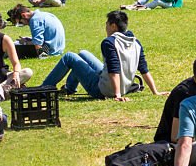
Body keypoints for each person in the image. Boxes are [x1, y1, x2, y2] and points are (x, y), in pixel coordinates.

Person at [39, 10, 167, 100]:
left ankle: (43, 89)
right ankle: (69, 88)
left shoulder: (109, 42)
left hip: (103, 89)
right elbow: (144, 69)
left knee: (69, 57)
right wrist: (155, 92)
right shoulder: (135, 41)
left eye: (107, 23)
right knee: (83, 54)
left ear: (113, 26)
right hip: (124, 85)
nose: (105, 26)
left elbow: (113, 69)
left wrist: (117, 95)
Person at [0, 12, 33, 95]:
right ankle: (5, 92)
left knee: (27, 72)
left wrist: (16, 73)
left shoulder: (5, 40)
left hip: (2, 77)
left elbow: (16, 63)